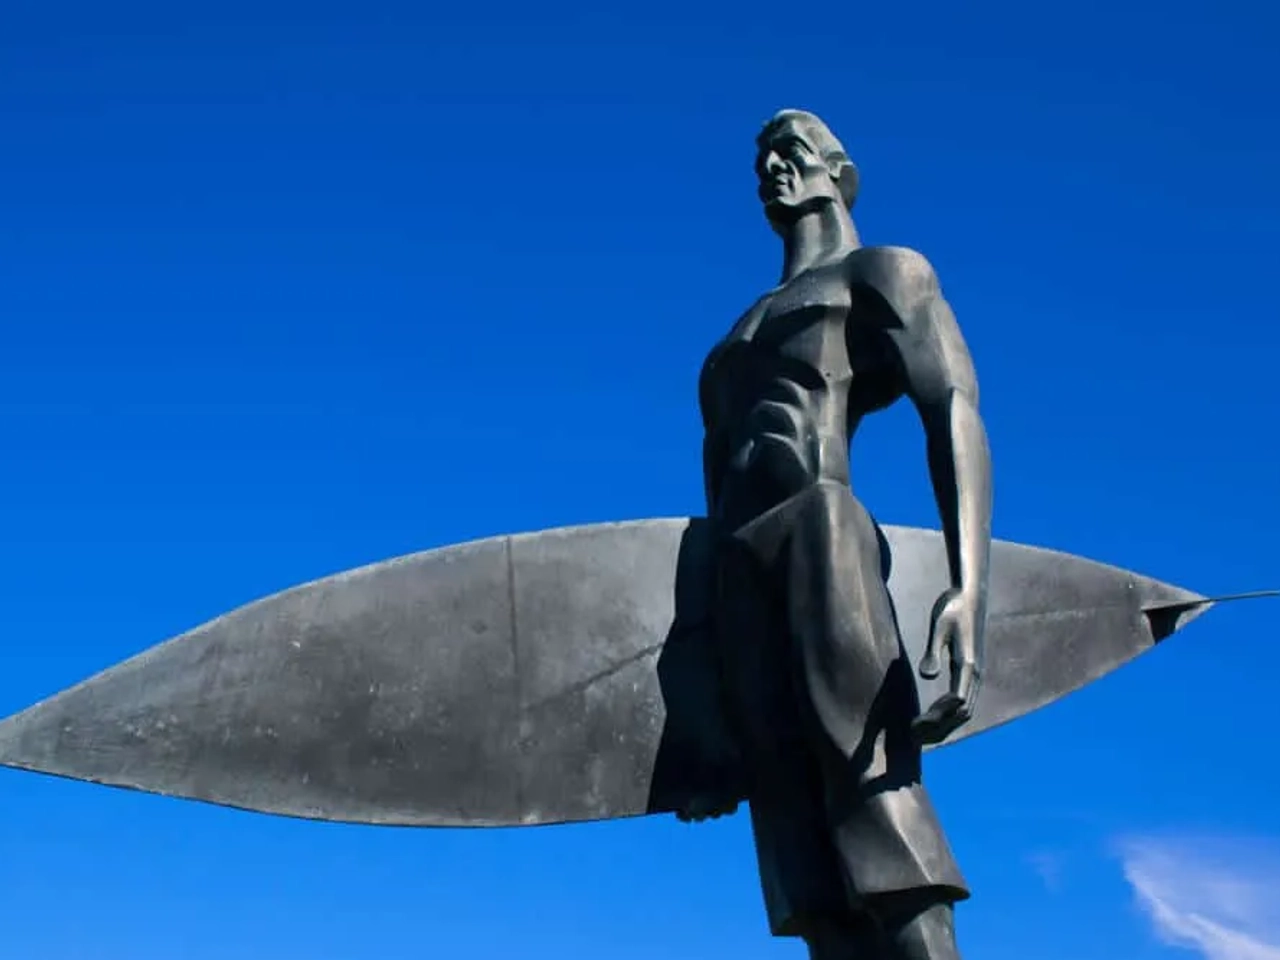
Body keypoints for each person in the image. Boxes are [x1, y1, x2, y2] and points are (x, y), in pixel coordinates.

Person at [692, 109, 993, 960]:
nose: (772, 171)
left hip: (822, 534)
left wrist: (971, 588)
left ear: (836, 169)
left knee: (874, 797)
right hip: (733, 570)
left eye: (790, 154)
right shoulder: (736, 335)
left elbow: (954, 410)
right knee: (797, 854)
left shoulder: (882, 272)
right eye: (762, 162)